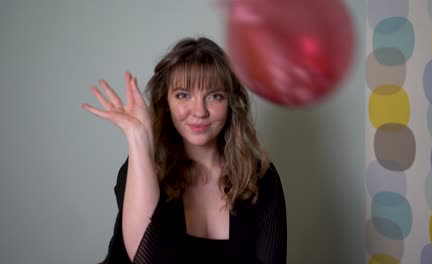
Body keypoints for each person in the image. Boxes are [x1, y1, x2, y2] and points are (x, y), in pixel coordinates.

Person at [82, 37, 287, 264]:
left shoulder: (261, 178)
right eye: (183, 95)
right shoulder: (142, 167)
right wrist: (139, 138)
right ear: (166, 103)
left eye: (214, 96)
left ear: (231, 103)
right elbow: (148, 261)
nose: (199, 111)